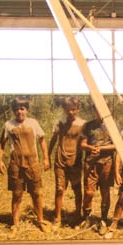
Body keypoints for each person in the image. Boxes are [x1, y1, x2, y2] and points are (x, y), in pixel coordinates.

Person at [0, 97, 50, 232]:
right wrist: (0, 160)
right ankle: (15, 224)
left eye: (22, 109)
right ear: (13, 111)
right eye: (16, 109)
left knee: (36, 193)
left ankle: (41, 221)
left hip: (33, 164)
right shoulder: (8, 125)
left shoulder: (33, 123)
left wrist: (46, 158)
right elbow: (2, 143)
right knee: (17, 194)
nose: (19, 112)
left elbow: (42, 141)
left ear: (27, 110)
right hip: (16, 165)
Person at [47, 96, 85, 227]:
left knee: (77, 189)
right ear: (64, 108)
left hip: (75, 161)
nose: (70, 112)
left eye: (73, 109)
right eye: (68, 109)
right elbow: (53, 139)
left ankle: (78, 215)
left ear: (78, 109)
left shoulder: (82, 124)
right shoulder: (60, 122)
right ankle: (57, 218)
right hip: (60, 161)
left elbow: (86, 142)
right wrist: (47, 156)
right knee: (59, 189)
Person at [80, 105, 119, 230]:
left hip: (107, 163)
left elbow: (117, 145)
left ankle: (103, 219)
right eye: (97, 109)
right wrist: (91, 148)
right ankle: (87, 218)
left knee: (105, 192)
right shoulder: (88, 126)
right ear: (94, 110)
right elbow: (82, 144)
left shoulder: (113, 126)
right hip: (91, 163)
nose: (100, 112)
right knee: (89, 192)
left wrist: (101, 149)